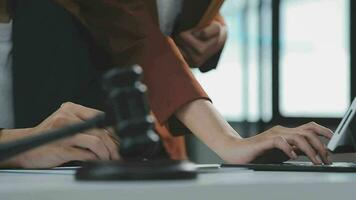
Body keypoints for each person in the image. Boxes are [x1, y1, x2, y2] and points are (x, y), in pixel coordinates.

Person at [0, 0, 332, 168]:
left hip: (118, 143)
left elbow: (146, 30)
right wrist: (20, 146)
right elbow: (137, 34)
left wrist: (216, 28)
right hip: (63, 130)